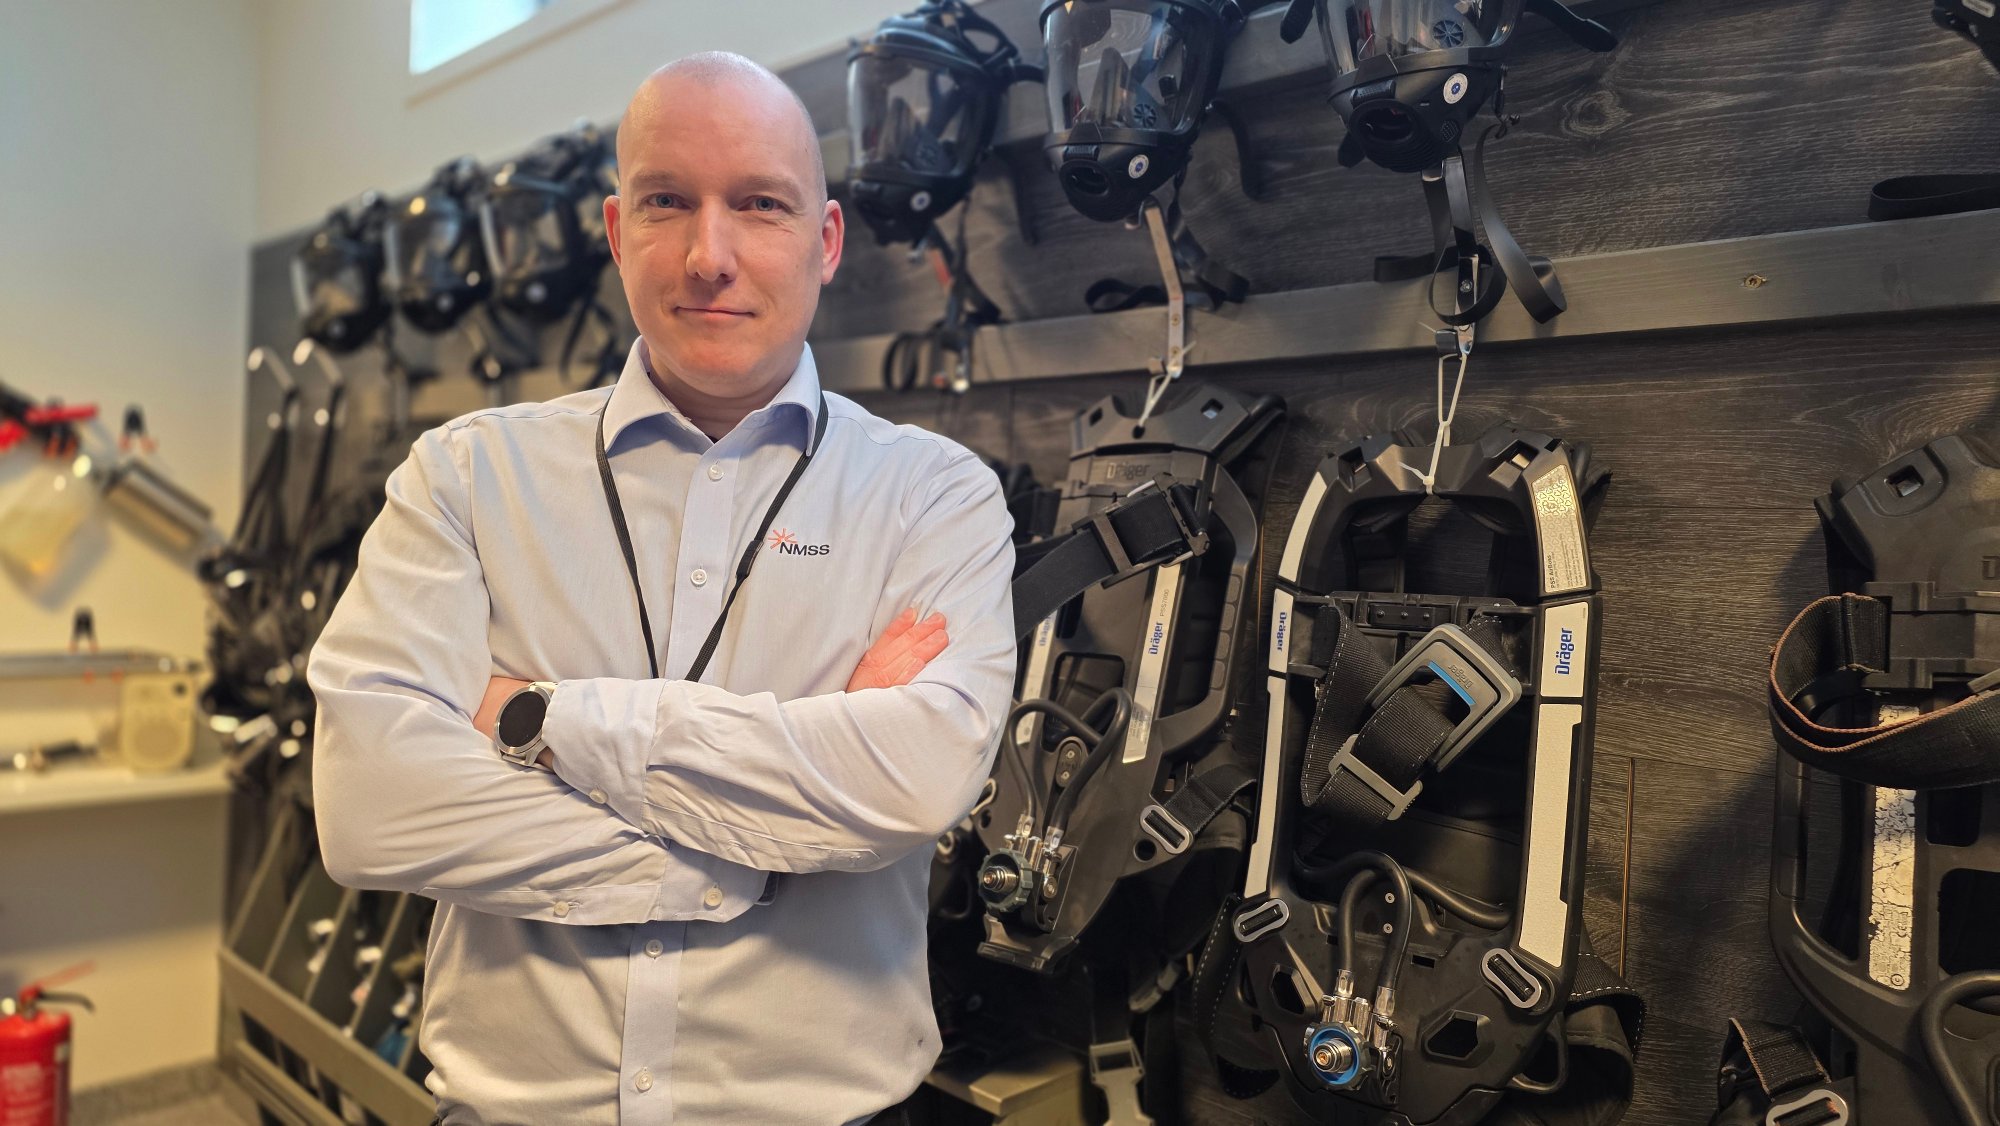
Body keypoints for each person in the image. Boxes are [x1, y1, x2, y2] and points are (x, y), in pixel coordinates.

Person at [308, 51, 1017, 1125]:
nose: (708, 256)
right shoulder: (465, 477)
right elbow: (374, 810)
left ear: (826, 240)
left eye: (761, 204)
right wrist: (776, 844)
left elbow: (913, 784)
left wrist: (536, 719)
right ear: (615, 230)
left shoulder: (935, 496)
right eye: (666, 202)